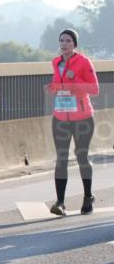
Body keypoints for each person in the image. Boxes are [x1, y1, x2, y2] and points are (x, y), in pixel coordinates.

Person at [47, 29, 99, 216]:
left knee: (81, 157)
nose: (64, 43)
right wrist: (53, 87)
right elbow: (60, 85)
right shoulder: (55, 62)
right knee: (61, 159)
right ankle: (60, 202)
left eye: (68, 41)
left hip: (82, 118)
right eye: (61, 40)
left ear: (74, 44)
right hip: (60, 117)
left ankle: (88, 197)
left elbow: (94, 89)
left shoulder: (84, 62)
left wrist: (73, 78)